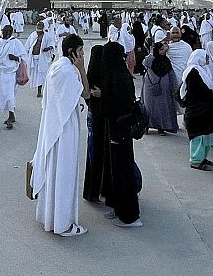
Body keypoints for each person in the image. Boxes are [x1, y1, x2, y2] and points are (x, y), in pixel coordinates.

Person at [31, 34, 94, 237]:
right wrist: (82, 68)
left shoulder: (57, 67)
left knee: (55, 172)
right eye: (81, 52)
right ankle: (63, 223)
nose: (83, 56)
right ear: (72, 52)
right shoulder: (68, 71)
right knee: (64, 173)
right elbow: (86, 93)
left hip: (55, 127)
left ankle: (51, 218)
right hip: (65, 129)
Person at [100, 41, 142, 227]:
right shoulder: (118, 74)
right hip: (116, 128)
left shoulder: (118, 77)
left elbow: (119, 104)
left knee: (123, 171)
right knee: (115, 169)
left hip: (120, 130)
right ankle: (117, 207)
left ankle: (130, 216)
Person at [180, 49, 213, 170]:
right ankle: (196, 161)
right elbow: (197, 90)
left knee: (206, 135)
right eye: (205, 57)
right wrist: (210, 94)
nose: (207, 59)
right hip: (197, 111)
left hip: (204, 110)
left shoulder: (202, 70)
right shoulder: (193, 72)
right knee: (198, 136)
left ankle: (202, 158)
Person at [82, 45, 106, 203]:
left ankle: (92, 191)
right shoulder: (104, 75)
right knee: (98, 153)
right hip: (100, 118)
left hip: (93, 115)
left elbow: (86, 95)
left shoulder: (90, 74)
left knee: (93, 154)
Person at [142, 42, 179, 134]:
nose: (163, 51)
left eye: (163, 49)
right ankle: (147, 126)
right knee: (148, 108)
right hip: (150, 89)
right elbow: (145, 62)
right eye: (160, 49)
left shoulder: (166, 60)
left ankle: (161, 127)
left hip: (164, 89)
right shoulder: (150, 60)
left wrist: (175, 87)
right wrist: (151, 53)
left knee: (163, 108)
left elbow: (171, 74)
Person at [0, 25, 26, 129]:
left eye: (7, 31)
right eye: (3, 31)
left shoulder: (15, 42)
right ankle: (10, 114)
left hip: (11, 73)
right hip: (1, 72)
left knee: (10, 94)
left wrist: (15, 57)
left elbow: (25, 57)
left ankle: (11, 116)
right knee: (3, 94)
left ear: (11, 32)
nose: (5, 33)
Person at [25, 21, 55, 98]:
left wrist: (48, 48)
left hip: (42, 58)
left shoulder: (47, 36)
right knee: (34, 74)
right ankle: (37, 87)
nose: (39, 28)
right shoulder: (32, 35)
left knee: (41, 75)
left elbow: (52, 45)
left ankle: (39, 90)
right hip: (33, 58)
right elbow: (27, 46)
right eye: (38, 26)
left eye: (41, 26)